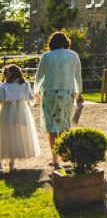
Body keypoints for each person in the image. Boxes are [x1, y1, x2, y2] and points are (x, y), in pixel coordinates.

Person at [33, 32, 82, 169]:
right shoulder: (73, 55)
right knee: (64, 124)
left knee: (51, 126)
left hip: (49, 92)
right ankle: (65, 153)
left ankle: (55, 158)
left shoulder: (47, 56)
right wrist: (79, 93)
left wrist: (35, 91)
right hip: (67, 92)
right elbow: (77, 76)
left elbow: (39, 75)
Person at [0, 65, 39, 173]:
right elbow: (31, 98)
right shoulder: (25, 84)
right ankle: (12, 163)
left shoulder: (4, 86)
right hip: (22, 111)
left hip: (7, 111)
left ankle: (2, 160)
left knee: (5, 134)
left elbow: (1, 100)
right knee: (17, 135)